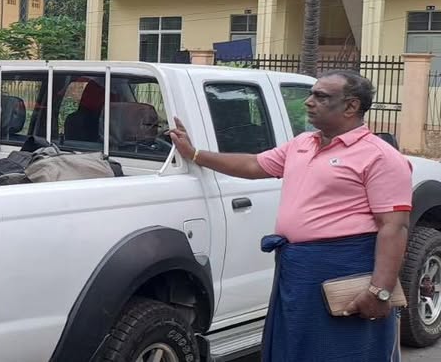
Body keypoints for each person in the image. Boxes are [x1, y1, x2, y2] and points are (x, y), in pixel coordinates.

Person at [168, 70, 411, 361]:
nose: (309, 102)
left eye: (320, 96)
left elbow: (393, 228)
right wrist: (195, 154)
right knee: (295, 347)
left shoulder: (381, 156)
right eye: (311, 94)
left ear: (351, 107)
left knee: (345, 350)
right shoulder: (303, 144)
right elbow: (253, 165)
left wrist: (380, 291)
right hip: (297, 266)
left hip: (345, 267)